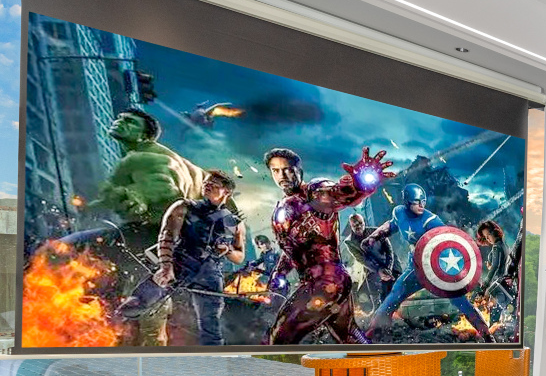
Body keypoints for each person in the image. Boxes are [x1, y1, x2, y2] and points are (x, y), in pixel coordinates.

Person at [264, 145, 393, 345]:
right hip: (328, 283)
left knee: (279, 338)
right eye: (276, 170)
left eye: (288, 169)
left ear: (299, 170)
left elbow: (338, 194)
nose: (282, 175)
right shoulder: (284, 206)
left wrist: (359, 184)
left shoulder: (314, 192)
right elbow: (293, 248)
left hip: (326, 284)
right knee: (349, 336)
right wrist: (279, 273)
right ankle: (377, 363)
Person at [115, 170, 245, 345]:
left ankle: (213, 358)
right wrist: (166, 267)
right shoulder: (184, 206)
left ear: (226, 192)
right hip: (179, 263)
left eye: (214, 184)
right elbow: (166, 236)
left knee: (211, 327)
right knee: (136, 304)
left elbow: (239, 257)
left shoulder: (235, 222)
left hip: (209, 274)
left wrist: (227, 250)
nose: (207, 185)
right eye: (206, 182)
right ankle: (105, 330)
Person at [364, 183, 493, 342]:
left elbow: (449, 244)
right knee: (395, 294)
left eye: (423, 201)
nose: (421, 205)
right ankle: (374, 330)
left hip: (438, 268)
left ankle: (486, 333)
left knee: (460, 300)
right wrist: (374, 237)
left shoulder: (432, 221)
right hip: (416, 267)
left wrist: (461, 273)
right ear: (407, 202)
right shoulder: (399, 212)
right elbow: (391, 225)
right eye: (417, 202)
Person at [345, 212, 400, 310]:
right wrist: (379, 270)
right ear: (351, 225)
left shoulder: (376, 231)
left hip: (391, 265)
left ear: (364, 222)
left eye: (360, 223)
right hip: (373, 269)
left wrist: (388, 268)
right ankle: (379, 311)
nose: (359, 226)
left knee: (396, 291)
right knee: (375, 296)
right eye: (355, 225)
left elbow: (389, 250)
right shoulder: (349, 242)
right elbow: (362, 259)